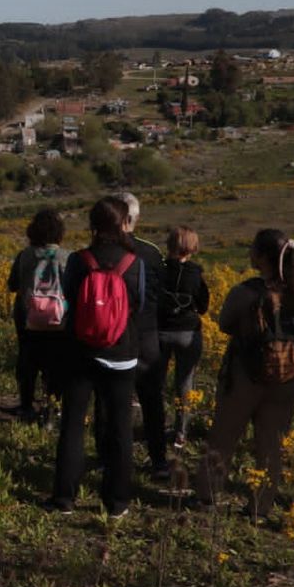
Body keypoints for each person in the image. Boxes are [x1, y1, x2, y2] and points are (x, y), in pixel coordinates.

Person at [195, 229, 294, 517]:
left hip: (245, 374)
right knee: (271, 443)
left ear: (261, 257)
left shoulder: (245, 292)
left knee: (224, 435)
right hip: (288, 377)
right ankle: (261, 505)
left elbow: (224, 323)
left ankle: (207, 496)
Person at [48, 197, 145, 517]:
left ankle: (64, 497)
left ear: (92, 225)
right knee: (120, 428)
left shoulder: (79, 260)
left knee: (73, 425)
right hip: (122, 353)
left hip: (81, 352)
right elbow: (139, 305)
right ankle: (117, 502)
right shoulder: (134, 262)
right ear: (123, 224)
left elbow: (69, 298)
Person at [116, 192, 170, 481]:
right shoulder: (151, 252)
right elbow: (160, 294)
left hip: (115, 334)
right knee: (152, 400)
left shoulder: (108, 249)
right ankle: (159, 459)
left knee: (112, 399)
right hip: (148, 333)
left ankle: (109, 455)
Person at [8, 207, 70, 423]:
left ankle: (26, 406)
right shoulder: (67, 257)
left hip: (28, 317)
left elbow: (12, 285)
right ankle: (53, 409)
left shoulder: (25, 255)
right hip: (59, 319)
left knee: (28, 361)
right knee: (57, 364)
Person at [156, 226, 210, 449]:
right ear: (192, 247)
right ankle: (181, 433)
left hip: (160, 332)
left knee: (155, 383)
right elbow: (204, 306)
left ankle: (155, 426)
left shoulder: (158, 269)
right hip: (188, 333)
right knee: (184, 383)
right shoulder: (196, 272)